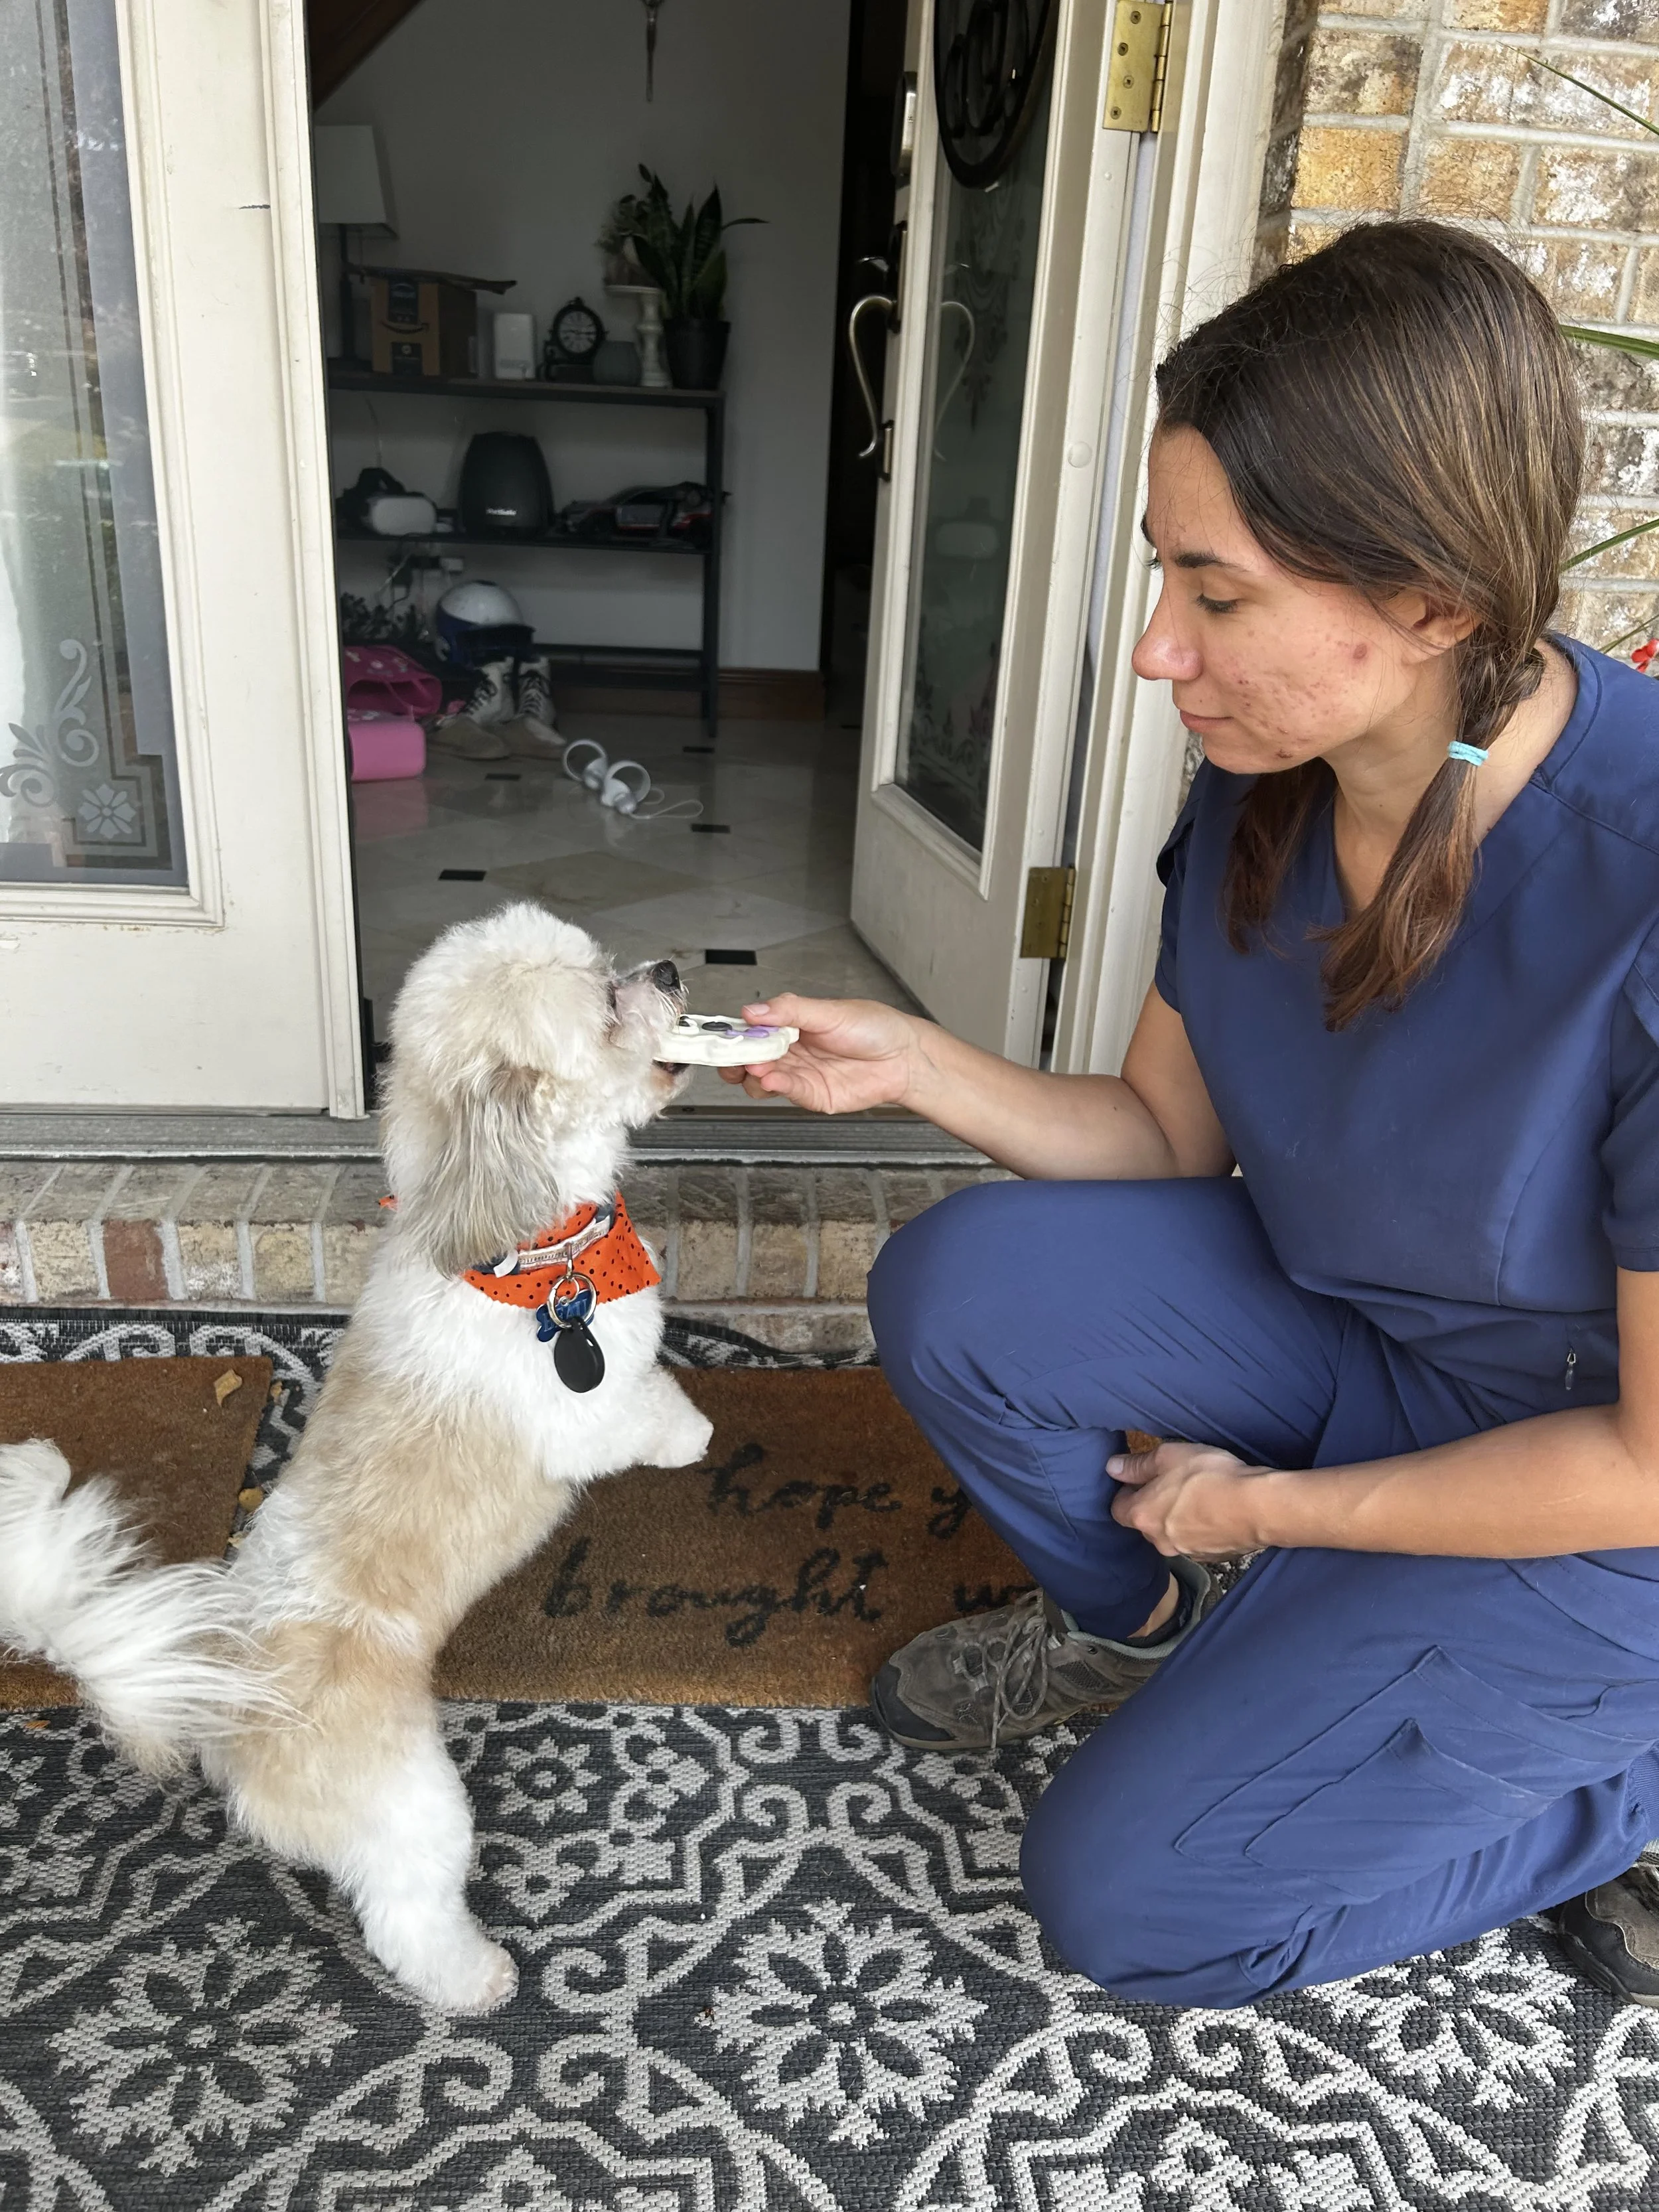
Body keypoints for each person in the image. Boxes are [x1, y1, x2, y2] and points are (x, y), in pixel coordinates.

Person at [720, 221, 1659, 2012]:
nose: (1160, 650)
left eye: (1213, 597)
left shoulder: (1639, 892)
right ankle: (1145, 1630)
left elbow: (1643, 1459)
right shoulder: (1265, 788)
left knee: (1134, 1906)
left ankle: (1611, 1787)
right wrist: (911, 1061)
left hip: (1591, 1503)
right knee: (969, 1283)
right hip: (1368, 1340)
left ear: (1430, 604)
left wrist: (1274, 1511)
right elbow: (1163, 1141)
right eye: (1168, 576)